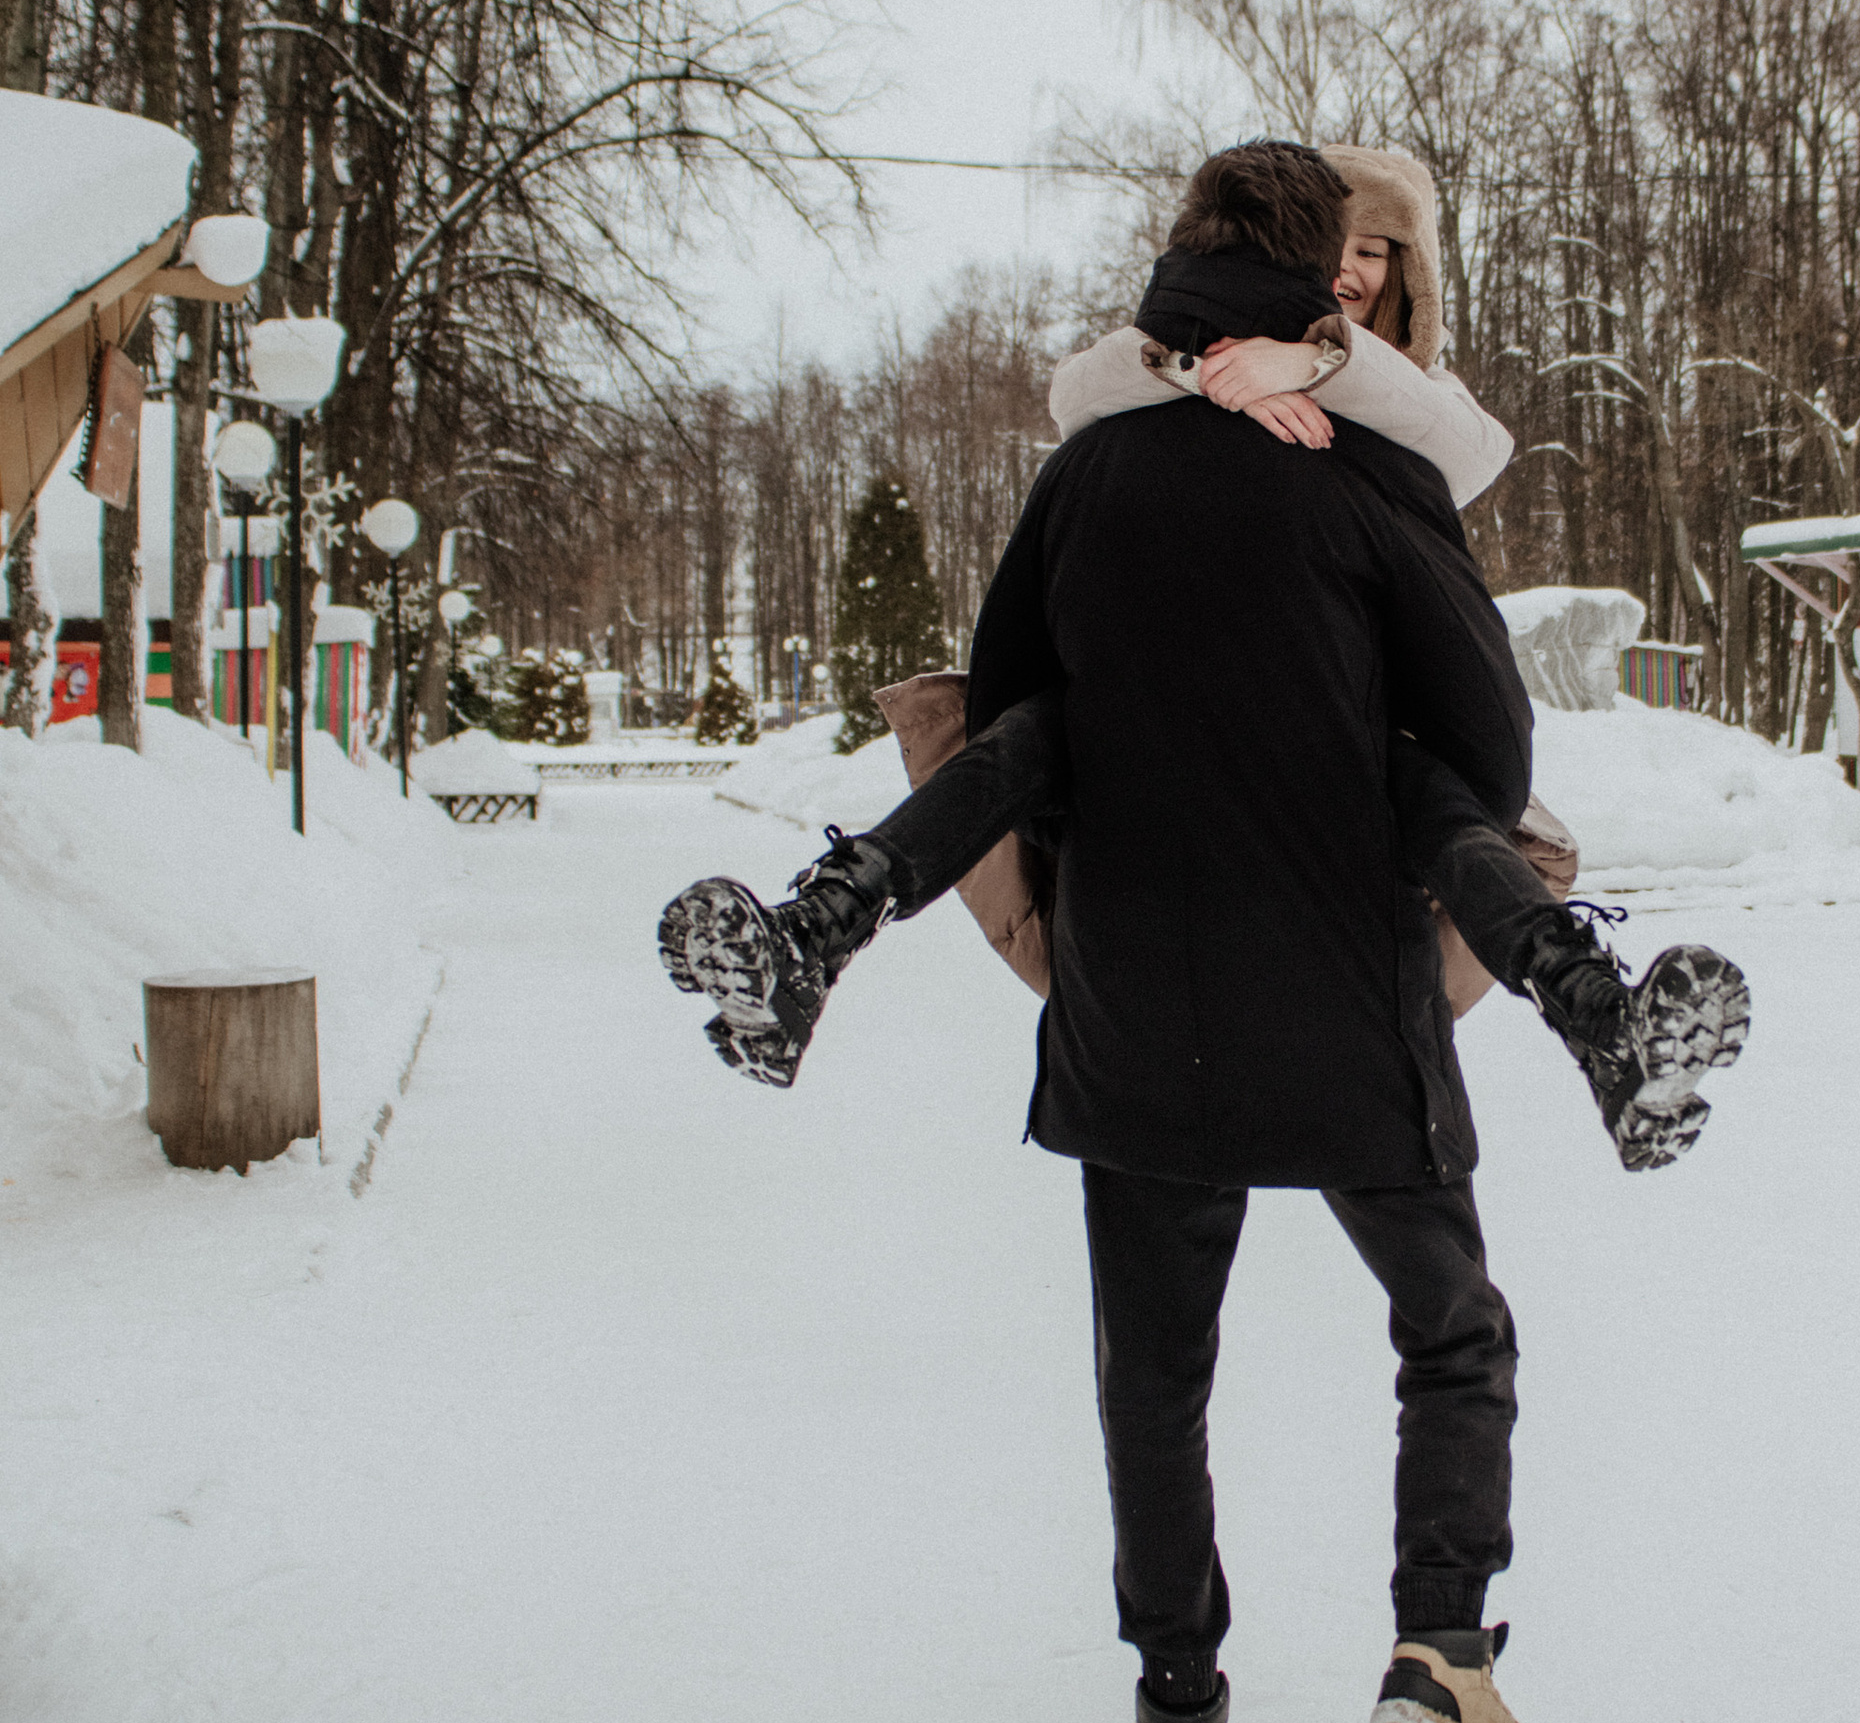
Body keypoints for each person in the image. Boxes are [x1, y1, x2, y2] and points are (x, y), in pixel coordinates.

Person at [660, 142, 1748, 1166]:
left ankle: (1597, 1017)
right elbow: (1078, 391)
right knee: (1032, 728)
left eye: (1376, 253)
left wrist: (1313, 359)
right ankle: (817, 933)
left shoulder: (1420, 409)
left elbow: (1469, 449)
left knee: (1437, 797)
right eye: (1333, 253)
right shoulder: (1166, 378)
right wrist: (1208, 365)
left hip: (1349, 725)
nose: (1350, 273)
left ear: (1408, 274)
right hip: (1178, 722)